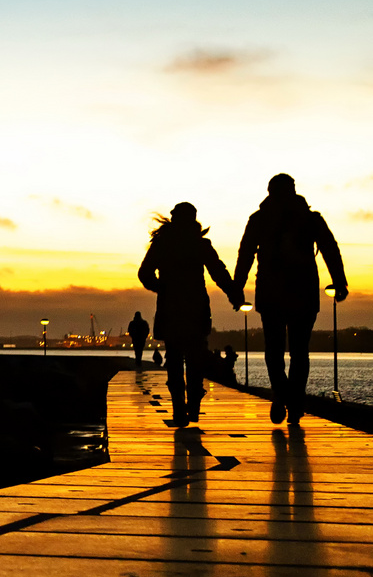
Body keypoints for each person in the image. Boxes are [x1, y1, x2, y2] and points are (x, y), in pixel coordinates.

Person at [233, 173, 348, 425]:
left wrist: (237, 288)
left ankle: (282, 395)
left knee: (274, 351)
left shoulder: (260, 219)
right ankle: (293, 400)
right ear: (293, 191)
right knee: (299, 352)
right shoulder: (310, 219)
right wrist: (339, 282)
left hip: (272, 293)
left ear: (269, 192)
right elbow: (330, 250)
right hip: (302, 293)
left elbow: (245, 255)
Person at [138, 202, 240, 426]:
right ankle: (192, 409)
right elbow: (219, 272)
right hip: (195, 309)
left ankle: (179, 412)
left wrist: (161, 287)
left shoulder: (162, 244)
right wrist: (234, 294)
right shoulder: (200, 244)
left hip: (171, 308)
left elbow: (144, 273)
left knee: (174, 361)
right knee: (195, 361)